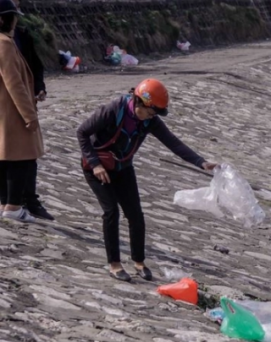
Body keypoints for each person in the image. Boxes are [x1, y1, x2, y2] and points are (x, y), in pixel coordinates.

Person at [77, 78, 217, 282]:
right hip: (98, 167)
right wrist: (95, 163)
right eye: (150, 113)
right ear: (140, 102)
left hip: (123, 167)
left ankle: (139, 262)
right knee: (111, 212)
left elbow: (172, 142)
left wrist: (201, 162)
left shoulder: (149, 119)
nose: (150, 118)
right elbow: (82, 132)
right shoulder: (113, 109)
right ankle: (115, 264)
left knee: (135, 214)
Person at [0, 0, 43, 223]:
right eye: (13, 16)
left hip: (3, 111)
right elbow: (14, 83)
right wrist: (29, 115)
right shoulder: (4, 43)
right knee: (22, 158)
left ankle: (5, 204)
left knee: (5, 158)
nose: (16, 20)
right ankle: (14, 207)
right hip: (11, 112)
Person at [11, 0, 53, 221]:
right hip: (8, 108)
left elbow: (35, 65)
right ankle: (10, 204)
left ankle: (29, 200)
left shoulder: (22, 35)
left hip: (25, 102)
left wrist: (40, 88)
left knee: (28, 155)